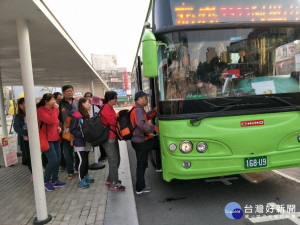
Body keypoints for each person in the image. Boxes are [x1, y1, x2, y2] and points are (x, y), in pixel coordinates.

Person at [130, 90, 162, 195]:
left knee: (142, 163)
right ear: (139, 99)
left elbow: (145, 117)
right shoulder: (138, 110)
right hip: (141, 142)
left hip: (137, 141)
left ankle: (158, 166)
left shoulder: (137, 109)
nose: (147, 100)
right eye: (145, 97)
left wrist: (154, 111)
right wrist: (155, 128)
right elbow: (142, 124)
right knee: (160, 143)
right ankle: (140, 187)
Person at [37, 93, 66, 191]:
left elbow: (55, 122)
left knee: (57, 160)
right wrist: (56, 109)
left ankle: (55, 179)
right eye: (52, 99)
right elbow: (49, 120)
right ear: (46, 101)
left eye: (54, 99)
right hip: (47, 139)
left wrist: (59, 128)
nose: (55, 101)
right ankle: (45, 181)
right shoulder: (41, 110)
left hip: (55, 138)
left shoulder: (53, 110)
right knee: (53, 160)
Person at [101, 91, 125, 191]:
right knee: (114, 160)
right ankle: (114, 184)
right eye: (115, 98)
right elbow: (112, 121)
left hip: (112, 137)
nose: (116, 100)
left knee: (116, 159)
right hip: (109, 138)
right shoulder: (106, 107)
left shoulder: (109, 107)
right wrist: (119, 118)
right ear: (110, 98)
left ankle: (110, 179)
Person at [70, 97, 94, 188]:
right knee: (82, 161)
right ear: (83, 104)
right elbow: (72, 129)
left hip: (86, 141)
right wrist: (81, 134)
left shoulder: (86, 114)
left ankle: (85, 175)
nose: (90, 104)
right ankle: (81, 180)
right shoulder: (76, 115)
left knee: (86, 160)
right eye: (88, 102)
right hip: (79, 142)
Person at [58, 85, 79, 180]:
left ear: (73, 92)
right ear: (63, 93)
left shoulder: (77, 102)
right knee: (67, 152)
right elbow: (57, 118)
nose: (69, 92)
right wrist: (61, 125)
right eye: (67, 91)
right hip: (66, 132)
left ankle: (77, 168)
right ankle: (70, 171)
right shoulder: (59, 104)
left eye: (71, 91)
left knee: (78, 151)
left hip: (77, 130)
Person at [13, 98, 32, 180]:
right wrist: (26, 133)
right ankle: (33, 173)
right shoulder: (18, 116)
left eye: (25, 103)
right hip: (25, 139)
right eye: (21, 104)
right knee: (28, 157)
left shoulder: (33, 113)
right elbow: (16, 128)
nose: (23, 105)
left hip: (35, 139)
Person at [90, 95, 107, 161]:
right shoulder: (101, 106)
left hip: (96, 126)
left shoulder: (93, 107)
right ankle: (103, 155)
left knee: (99, 142)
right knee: (101, 142)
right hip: (100, 125)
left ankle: (103, 155)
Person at [53, 91, 65, 172]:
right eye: (58, 100)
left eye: (61, 100)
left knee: (66, 148)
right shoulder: (54, 109)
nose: (59, 102)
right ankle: (62, 164)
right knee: (60, 149)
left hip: (64, 130)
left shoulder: (62, 106)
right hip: (57, 132)